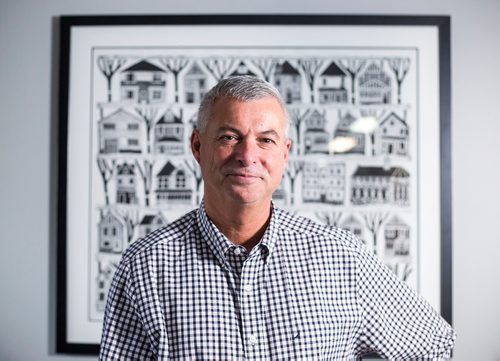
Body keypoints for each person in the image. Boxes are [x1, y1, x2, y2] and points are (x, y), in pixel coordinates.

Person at [100, 75, 456, 360]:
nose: (247, 155)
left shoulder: (343, 258)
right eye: (229, 136)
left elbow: (434, 347)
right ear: (197, 146)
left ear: (284, 153)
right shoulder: (144, 267)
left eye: (265, 140)